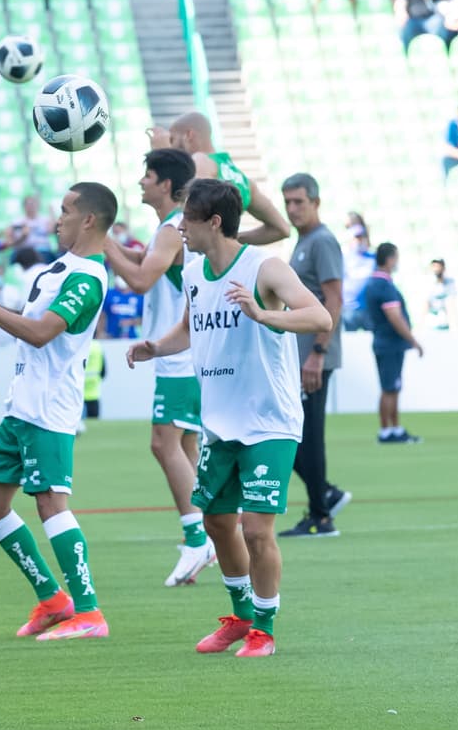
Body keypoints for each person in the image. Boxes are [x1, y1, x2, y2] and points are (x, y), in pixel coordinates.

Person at [127, 178, 333, 658]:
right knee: (218, 523)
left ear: (213, 222)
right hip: (219, 423)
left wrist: (264, 316)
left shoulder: (266, 266)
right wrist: (157, 346)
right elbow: (188, 328)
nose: (179, 228)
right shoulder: (195, 273)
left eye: (187, 219)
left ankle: (264, 627)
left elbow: (319, 317)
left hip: (269, 422)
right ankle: (240, 616)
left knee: (256, 530)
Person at [0, 182, 116, 642]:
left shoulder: (88, 277)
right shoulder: (61, 268)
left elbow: (41, 333)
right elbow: (26, 322)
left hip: (49, 409)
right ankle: (53, 600)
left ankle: (90, 611)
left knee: (51, 504)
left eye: (65, 212)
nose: (57, 220)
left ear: (89, 220)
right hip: (21, 406)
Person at [103, 148, 213, 585]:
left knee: (163, 444)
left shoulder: (173, 229)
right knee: (185, 448)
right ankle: (210, 533)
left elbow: (142, 279)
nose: (140, 183)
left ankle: (196, 539)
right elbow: (148, 267)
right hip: (188, 351)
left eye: (146, 176)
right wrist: (121, 247)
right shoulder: (171, 229)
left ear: (165, 184)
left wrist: (103, 241)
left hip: (182, 355)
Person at [278, 173, 351, 539]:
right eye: (287, 202)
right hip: (303, 355)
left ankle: (322, 515)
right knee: (295, 434)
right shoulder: (305, 241)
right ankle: (325, 496)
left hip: (314, 357)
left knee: (308, 436)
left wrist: (318, 353)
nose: (292, 209)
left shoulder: (322, 242)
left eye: (299, 202)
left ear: (316, 203)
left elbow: (334, 299)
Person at [152, 112, 290, 245]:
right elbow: (282, 229)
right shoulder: (243, 180)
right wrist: (231, 240)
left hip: (203, 263)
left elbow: (187, 207)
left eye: (172, 139)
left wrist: (162, 153)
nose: (171, 146)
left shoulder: (199, 160)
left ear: (189, 135)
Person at [362, 243, 423, 444]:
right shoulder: (384, 285)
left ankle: (392, 429)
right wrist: (412, 340)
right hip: (390, 343)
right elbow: (395, 317)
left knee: (391, 387)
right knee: (390, 387)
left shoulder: (374, 283)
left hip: (384, 341)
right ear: (389, 259)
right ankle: (388, 430)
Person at [342, 213, 375, 329]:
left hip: (369, 308)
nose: (360, 240)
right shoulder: (344, 257)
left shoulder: (373, 258)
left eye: (362, 236)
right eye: (356, 237)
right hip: (349, 308)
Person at [9, 194, 56, 261]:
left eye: (33, 204)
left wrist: (52, 213)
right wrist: (23, 237)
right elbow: (11, 243)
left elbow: (52, 231)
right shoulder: (17, 222)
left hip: (43, 251)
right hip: (24, 251)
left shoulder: (44, 220)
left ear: (37, 205)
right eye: (28, 204)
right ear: (24, 206)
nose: (31, 206)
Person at [426, 258, 456, 330]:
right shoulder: (428, 283)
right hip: (432, 320)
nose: (436, 269)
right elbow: (426, 303)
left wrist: (454, 326)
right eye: (434, 266)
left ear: (443, 268)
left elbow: (451, 303)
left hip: (446, 321)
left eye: (438, 266)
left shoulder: (450, 282)